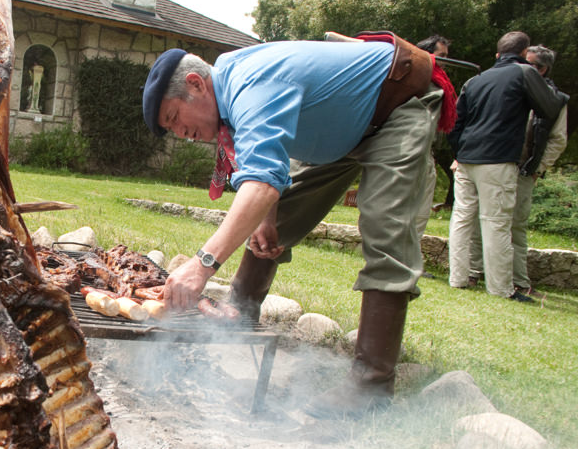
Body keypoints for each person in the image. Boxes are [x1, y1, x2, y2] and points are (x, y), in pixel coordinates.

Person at [141, 33, 450, 418]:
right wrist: (268, 218)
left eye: (174, 119)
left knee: (386, 231)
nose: (180, 133)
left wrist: (202, 263)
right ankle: (239, 315)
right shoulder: (229, 96)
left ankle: (370, 387)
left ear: (195, 84)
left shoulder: (250, 85)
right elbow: (263, 164)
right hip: (343, 128)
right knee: (270, 215)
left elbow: (263, 183)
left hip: (394, 106)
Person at [446, 32, 568, 302]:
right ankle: (501, 289)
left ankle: (457, 279)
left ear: (497, 54)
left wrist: (460, 151)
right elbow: (550, 107)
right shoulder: (524, 73)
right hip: (498, 159)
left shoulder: (475, 80)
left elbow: (455, 122)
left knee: (461, 219)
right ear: (524, 53)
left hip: (466, 159)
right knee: (496, 222)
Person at [416, 35, 458, 214]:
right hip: (413, 152)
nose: (446, 61)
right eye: (442, 55)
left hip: (426, 153)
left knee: (420, 213)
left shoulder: (440, 82)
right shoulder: (419, 80)